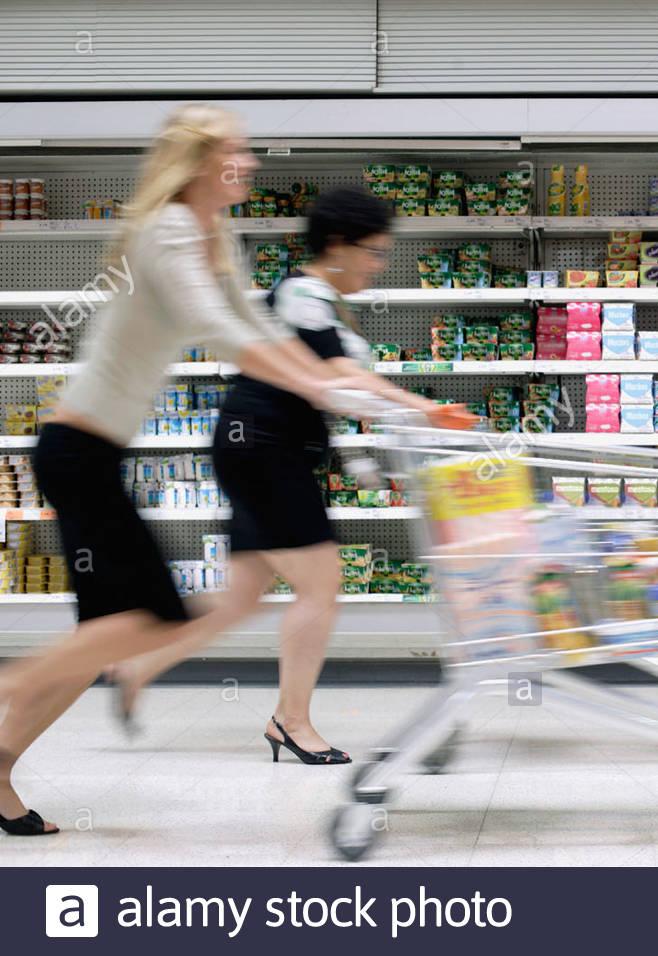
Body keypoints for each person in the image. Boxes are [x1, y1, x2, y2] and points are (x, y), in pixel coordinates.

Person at [0, 105, 373, 836]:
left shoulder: (214, 234)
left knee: (105, 640)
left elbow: (257, 326)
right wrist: (324, 387)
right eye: (238, 150)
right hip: (75, 452)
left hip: (97, 454)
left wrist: (334, 383)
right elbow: (218, 329)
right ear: (201, 161)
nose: (251, 162)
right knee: (145, 619)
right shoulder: (168, 230)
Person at [109, 185, 473, 765]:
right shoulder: (302, 292)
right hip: (264, 448)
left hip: (262, 448)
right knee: (322, 585)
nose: (379, 264)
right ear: (338, 243)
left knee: (239, 598)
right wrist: (424, 407)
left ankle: (137, 662)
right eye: (374, 251)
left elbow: (336, 389)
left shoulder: (322, 300)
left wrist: (380, 437)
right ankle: (290, 721)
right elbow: (341, 375)